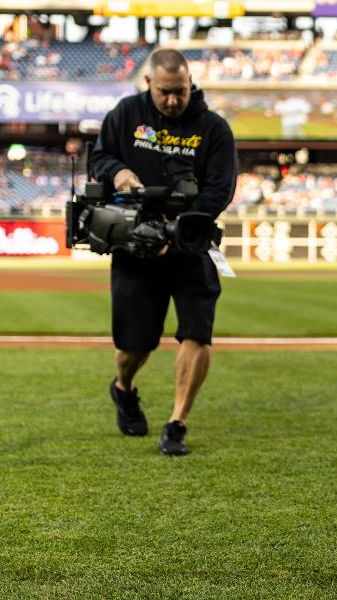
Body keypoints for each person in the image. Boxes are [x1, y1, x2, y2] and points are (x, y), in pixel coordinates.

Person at [89, 49, 237, 456]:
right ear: (149, 84)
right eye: (165, 92)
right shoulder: (124, 114)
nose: (173, 100)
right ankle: (124, 387)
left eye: (181, 91)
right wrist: (118, 171)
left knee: (197, 332)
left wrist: (184, 225)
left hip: (191, 247)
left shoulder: (213, 128)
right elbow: (99, 156)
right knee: (132, 347)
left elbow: (220, 188)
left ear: (192, 84)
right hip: (136, 248)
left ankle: (177, 423)